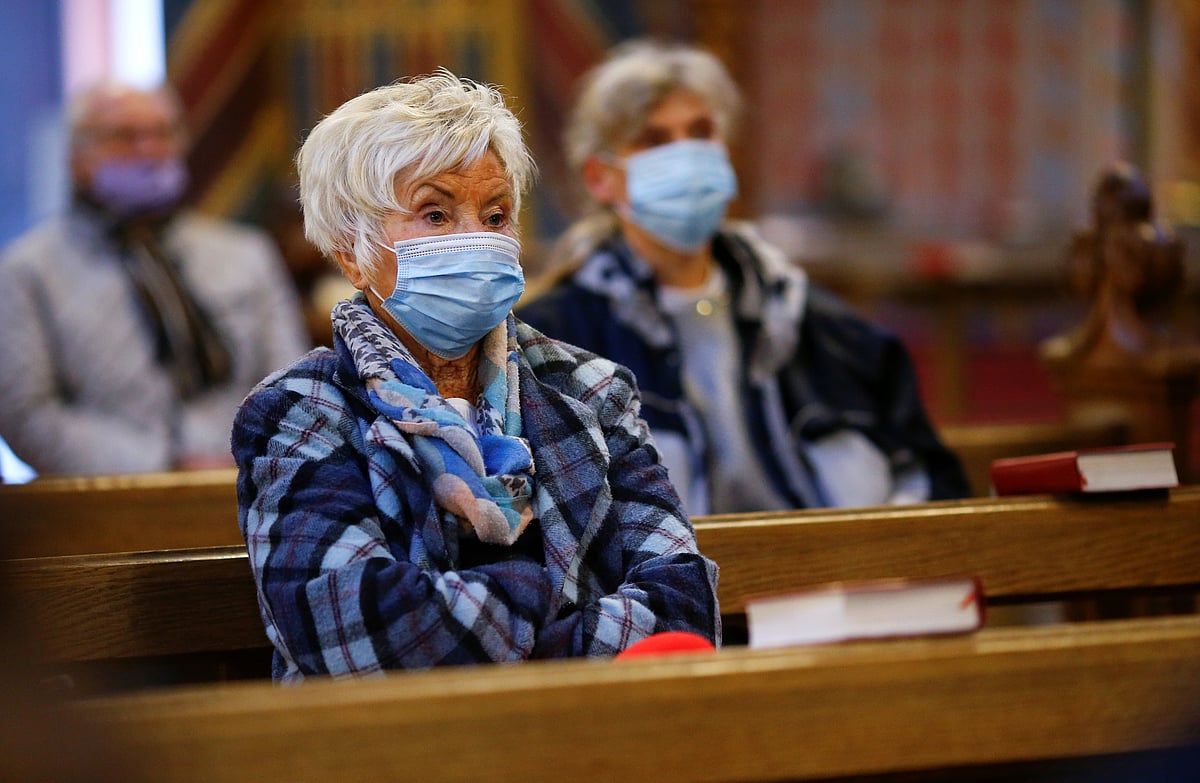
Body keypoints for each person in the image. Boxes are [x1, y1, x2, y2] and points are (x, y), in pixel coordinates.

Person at [231, 70, 721, 681]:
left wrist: (488, 624)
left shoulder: (591, 388)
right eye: (435, 214)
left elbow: (685, 605)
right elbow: (360, 636)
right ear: (351, 252)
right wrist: (556, 602)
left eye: (496, 216)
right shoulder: (303, 410)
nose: (477, 240)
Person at [517, 40, 969, 515]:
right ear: (600, 178)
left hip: (835, 578)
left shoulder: (828, 333)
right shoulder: (549, 347)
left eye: (701, 131)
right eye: (654, 140)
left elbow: (933, 486)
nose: (686, 156)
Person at [0, 81, 310, 476]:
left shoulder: (245, 254)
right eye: (124, 136)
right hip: (103, 504)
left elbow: (294, 384)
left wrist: (242, 460)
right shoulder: (29, 271)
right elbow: (27, 415)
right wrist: (163, 467)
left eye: (162, 133)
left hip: (248, 484)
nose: (149, 150)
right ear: (76, 156)